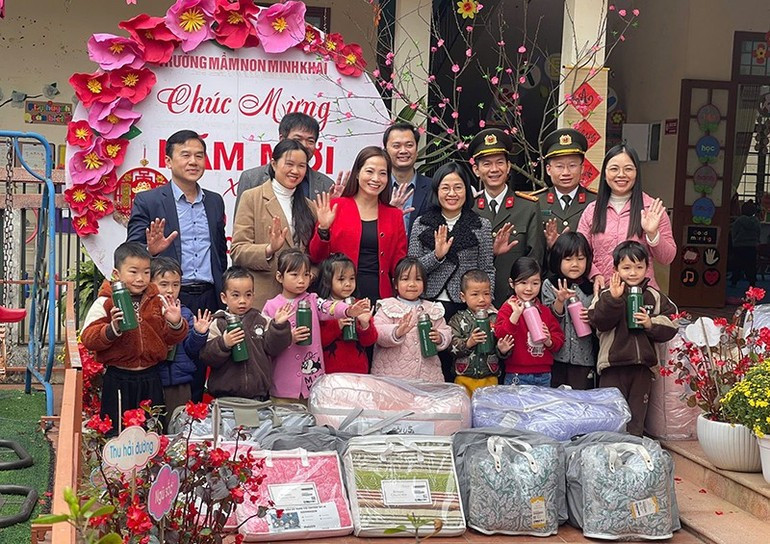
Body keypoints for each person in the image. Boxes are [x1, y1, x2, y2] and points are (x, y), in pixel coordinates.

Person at [127, 129, 227, 402]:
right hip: (167, 297)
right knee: (165, 367)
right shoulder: (148, 201)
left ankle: (194, 420)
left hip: (207, 296)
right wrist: (150, 250)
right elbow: (131, 254)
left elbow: (220, 252)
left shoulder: (215, 201)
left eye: (199, 155)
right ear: (169, 161)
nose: (193, 161)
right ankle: (160, 419)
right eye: (185, 155)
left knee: (201, 364)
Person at [81, 242, 188, 434]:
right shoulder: (105, 301)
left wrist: (176, 323)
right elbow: (88, 338)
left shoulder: (157, 301)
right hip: (118, 378)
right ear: (116, 274)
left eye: (146, 272)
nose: (140, 279)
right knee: (116, 432)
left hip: (151, 377)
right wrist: (112, 329)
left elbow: (170, 339)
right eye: (133, 272)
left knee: (152, 431)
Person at [588, 241, 678, 436]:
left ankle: (633, 449)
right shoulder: (606, 294)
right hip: (613, 366)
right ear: (615, 269)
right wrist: (613, 300)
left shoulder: (654, 296)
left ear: (647, 267)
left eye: (639, 267)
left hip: (642, 368)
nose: (633, 273)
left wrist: (650, 323)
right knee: (611, 415)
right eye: (626, 267)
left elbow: (673, 323)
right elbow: (598, 321)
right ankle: (609, 449)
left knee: (637, 417)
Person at [262, 249, 370, 402]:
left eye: (306, 275)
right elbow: (267, 343)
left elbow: (329, 307)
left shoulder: (313, 300)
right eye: (294, 275)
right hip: (282, 387)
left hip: (312, 386)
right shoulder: (270, 306)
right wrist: (288, 337)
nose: (301, 280)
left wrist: (348, 310)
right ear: (280, 277)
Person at [309, 146, 407, 304]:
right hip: (339, 297)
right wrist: (323, 229)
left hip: (381, 297)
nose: (376, 178)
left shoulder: (394, 215)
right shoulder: (336, 206)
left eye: (382, 173)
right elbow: (316, 257)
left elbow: (399, 263)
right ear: (357, 173)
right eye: (370, 171)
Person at [231, 139, 318, 309]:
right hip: (264, 300)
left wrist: (307, 277)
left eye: (301, 166)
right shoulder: (252, 198)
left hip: (300, 303)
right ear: (274, 164)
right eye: (289, 164)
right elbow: (238, 251)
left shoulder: (310, 206)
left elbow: (315, 257)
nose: (295, 171)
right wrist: (269, 249)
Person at [577, 144, 676, 290]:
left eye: (628, 169)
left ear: (637, 173)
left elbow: (667, 258)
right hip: (604, 293)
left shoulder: (652, 209)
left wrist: (653, 234)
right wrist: (594, 274)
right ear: (604, 174)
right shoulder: (592, 210)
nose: (621, 174)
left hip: (641, 294)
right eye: (614, 169)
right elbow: (580, 253)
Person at [470, 128, 545, 307]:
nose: (494, 169)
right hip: (475, 303)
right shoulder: (469, 207)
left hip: (515, 302)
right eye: (487, 164)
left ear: (508, 166)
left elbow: (535, 258)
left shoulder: (528, 207)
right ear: (476, 170)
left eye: (500, 163)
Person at [198, 267, 293, 400]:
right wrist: (224, 343)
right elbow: (207, 357)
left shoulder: (262, 320)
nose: (242, 300)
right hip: (225, 397)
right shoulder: (217, 323)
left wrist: (279, 326)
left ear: (253, 295)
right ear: (224, 298)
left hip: (258, 396)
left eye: (248, 295)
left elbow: (274, 348)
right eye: (236, 295)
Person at [150, 257, 212, 427]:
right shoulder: (148, 313)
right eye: (164, 284)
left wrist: (199, 333)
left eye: (176, 285)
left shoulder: (185, 314)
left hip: (180, 382)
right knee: (153, 426)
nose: (170, 290)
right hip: (154, 379)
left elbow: (192, 350)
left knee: (178, 426)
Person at [235, 112, 340, 210]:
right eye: (297, 139)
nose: (304, 145)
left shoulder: (326, 185)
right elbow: (241, 222)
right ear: (282, 139)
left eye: (310, 141)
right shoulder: (252, 179)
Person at [371, 257, 452, 383]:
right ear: (395, 283)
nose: (412, 284)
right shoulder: (388, 306)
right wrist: (397, 331)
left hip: (427, 374)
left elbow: (446, 330)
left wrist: (440, 337)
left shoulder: (432, 308)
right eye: (405, 279)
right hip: (392, 375)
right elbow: (377, 332)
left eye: (418, 279)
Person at [494, 257, 565, 386]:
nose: (529, 288)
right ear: (512, 283)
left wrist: (549, 341)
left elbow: (559, 337)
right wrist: (515, 315)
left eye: (535, 283)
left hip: (544, 374)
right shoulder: (508, 308)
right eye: (523, 283)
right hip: (516, 373)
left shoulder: (544, 311)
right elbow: (500, 334)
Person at [541, 232, 598, 390]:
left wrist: (591, 317)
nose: (575, 264)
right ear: (557, 259)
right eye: (568, 259)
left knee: (581, 399)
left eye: (580, 259)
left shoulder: (592, 287)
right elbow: (548, 318)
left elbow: (601, 319)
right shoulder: (550, 284)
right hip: (556, 357)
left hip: (584, 358)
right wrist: (559, 301)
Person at [449, 269, 514, 396]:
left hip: (489, 376)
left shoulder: (496, 318)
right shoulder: (458, 319)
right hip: (464, 376)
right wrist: (469, 343)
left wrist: (502, 350)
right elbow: (450, 347)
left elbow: (502, 347)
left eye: (486, 294)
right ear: (463, 297)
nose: (482, 299)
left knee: (488, 406)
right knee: (464, 406)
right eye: (475, 294)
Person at [530, 128, 597, 248]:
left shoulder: (595, 202)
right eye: (559, 166)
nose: (566, 172)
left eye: (572, 165)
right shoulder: (535, 202)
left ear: (582, 168)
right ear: (548, 170)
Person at [315, 253, 378, 374]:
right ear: (327, 281)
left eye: (352, 278)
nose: (348, 284)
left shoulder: (359, 305)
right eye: (341, 279)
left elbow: (370, 341)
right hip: (330, 373)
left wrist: (365, 324)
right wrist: (337, 326)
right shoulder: (322, 307)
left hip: (358, 371)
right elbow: (317, 342)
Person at [383, 122, 433, 235]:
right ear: (386, 151)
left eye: (409, 145)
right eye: (396, 146)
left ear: (417, 150)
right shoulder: (377, 187)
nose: (403, 151)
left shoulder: (433, 187)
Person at [730, 200, 761, 287]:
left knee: (737, 264)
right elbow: (758, 232)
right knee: (751, 265)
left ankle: (734, 281)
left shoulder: (738, 221)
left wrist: (734, 241)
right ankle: (752, 282)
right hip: (751, 246)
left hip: (739, 245)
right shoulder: (756, 221)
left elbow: (734, 232)